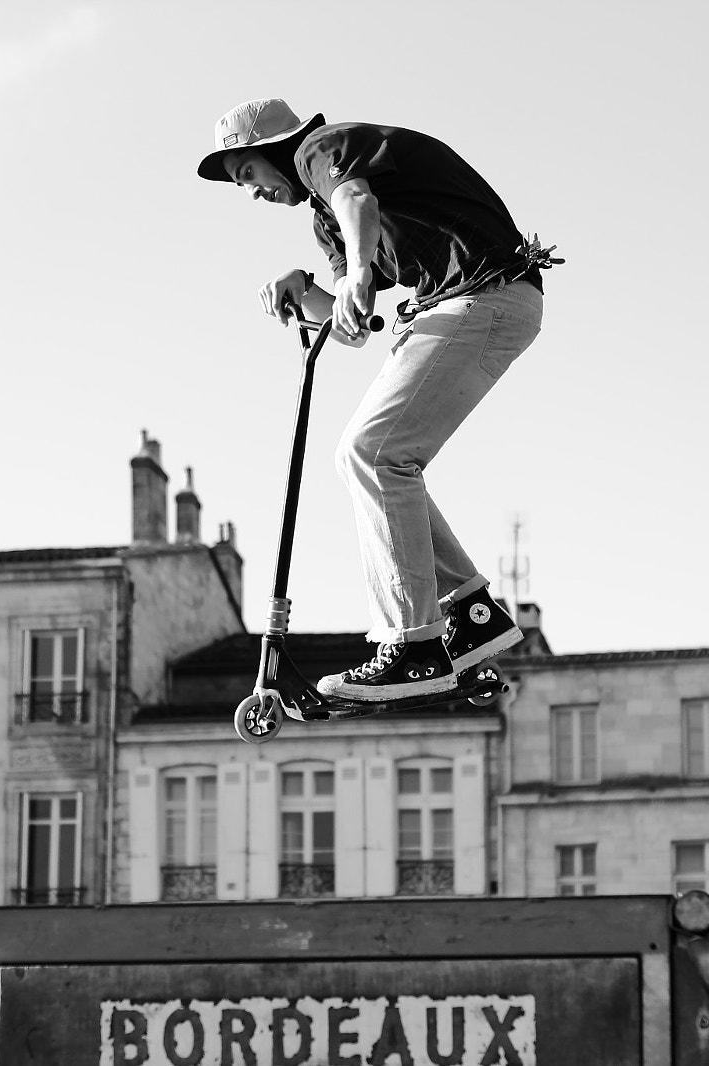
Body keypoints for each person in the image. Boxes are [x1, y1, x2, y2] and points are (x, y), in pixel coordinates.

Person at [197, 99, 560, 701]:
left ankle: (413, 646)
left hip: (481, 295)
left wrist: (359, 268)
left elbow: (357, 202)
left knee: (373, 453)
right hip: (478, 306)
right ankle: (470, 621)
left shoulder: (324, 150)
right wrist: (309, 291)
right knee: (370, 459)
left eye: (248, 176)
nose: (253, 193)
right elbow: (352, 327)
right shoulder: (325, 218)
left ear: (272, 151)